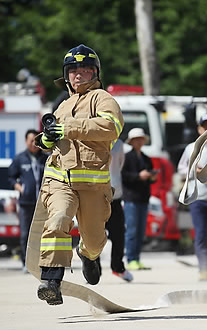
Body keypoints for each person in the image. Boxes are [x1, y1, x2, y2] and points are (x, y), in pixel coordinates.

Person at [34, 44, 123, 305]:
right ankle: (51, 280)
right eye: (73, 70)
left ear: (95, 73)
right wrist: (46, 140)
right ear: (66, 75)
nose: (78, 74)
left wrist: (68, 128)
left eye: (85, 69)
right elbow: (49, 139)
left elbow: (111, 126)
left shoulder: (103, 99)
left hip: (93, 186)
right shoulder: (61, 106)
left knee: (95, 240)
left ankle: (88, 255)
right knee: (59, 219)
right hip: (60, 180)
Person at [177, 114, 207, 281]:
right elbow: (181, 169)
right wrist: (194, 171)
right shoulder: (191, 148)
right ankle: (203, 268)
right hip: (197, 197)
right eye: (204, 126)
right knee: (201, 234)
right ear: (199, 129)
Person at [8, 129, 48, 271]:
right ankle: (26, 263)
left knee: (43, 234)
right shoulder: (20, 158)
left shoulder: (45, 158)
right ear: (26, 141)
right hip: (26, 203)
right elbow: (11, 177)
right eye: (31, 140)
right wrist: (20, 188)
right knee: (26, 233)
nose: (33, 143)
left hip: (43, 203)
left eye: (36, 140)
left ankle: (41, 263)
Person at [121, 128, 156, 271]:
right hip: (131, 198)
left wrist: (151, 177)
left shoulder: (146, 158)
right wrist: (138, 176)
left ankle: (137, 258)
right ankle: (130, 259)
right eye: (137, 139)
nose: (139, 141)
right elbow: (123, 175)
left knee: (141, 231)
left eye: (141, 139)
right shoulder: (127, 157)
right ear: (132, 142)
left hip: (143, 198)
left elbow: (151, 176)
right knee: (132, 230)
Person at [103, 138, 134, 282]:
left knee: (118, 234)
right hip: (95, 196)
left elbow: (119, 164)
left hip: (115, 195)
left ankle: (118, 267)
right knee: (92, 234)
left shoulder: (119, 143)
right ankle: (92, 268)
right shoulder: (90, 137)